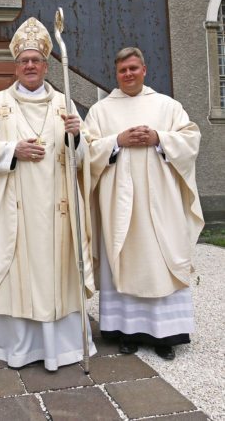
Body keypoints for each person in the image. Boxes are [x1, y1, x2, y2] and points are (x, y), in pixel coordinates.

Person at [0, 18, 96, 371]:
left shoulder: (65, 103)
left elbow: (82, 157)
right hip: (17, 208)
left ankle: (65, 348)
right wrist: (13, 150)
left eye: (37, 61)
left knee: (58, 274)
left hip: (59, 207)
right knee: (20, 276)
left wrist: (77, 136)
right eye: (24, 61)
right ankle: (21, 349)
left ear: (46, 65)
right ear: (15, 66)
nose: (30, 66)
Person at [85, 47, 204, 360]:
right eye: (123, 70)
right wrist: (117, 142)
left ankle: (165, 335)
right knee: (122, 259)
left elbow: (190, 139)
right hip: (118, 205)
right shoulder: (101, 111)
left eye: (133, 68)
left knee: (160, 260)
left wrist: (159, 139)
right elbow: (87, 150)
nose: (128, 74)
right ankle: (126, 332)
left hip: (160, 204)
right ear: (116, 73)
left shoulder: (167, 106)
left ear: (144, 69)